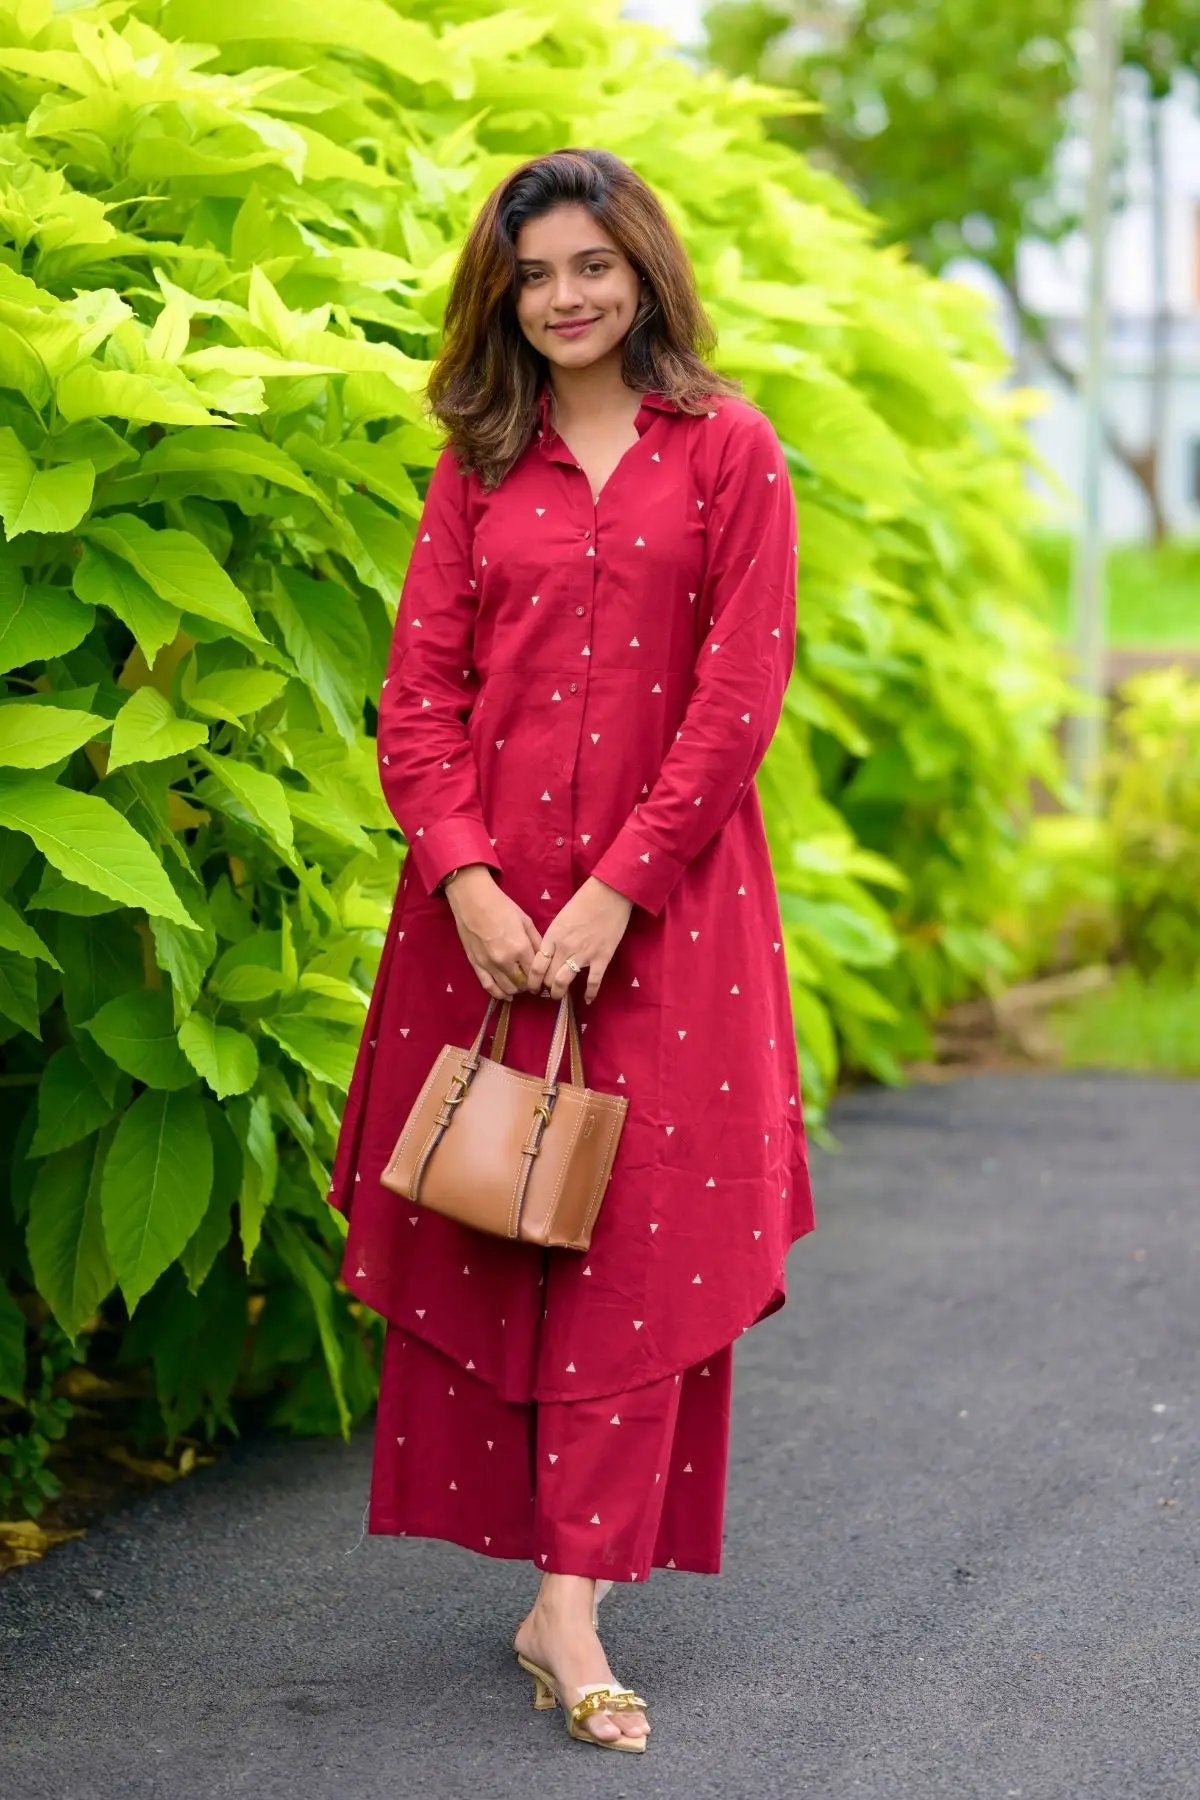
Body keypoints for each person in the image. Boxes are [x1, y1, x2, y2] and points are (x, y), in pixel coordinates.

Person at [326, 146, 816, 1752]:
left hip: (671, 922)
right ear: (503, 295)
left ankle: (572, 1601)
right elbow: (420, 696)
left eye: (591, 265)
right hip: (483, 919)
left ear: (645, 270)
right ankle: (554, 1588)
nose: (566, 298)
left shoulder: (727, 449)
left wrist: (619, 889)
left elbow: (739, 695)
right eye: (534, 275)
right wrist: (466, 878)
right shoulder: (479, 463)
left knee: (638, 1239)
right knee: (497, 1214)